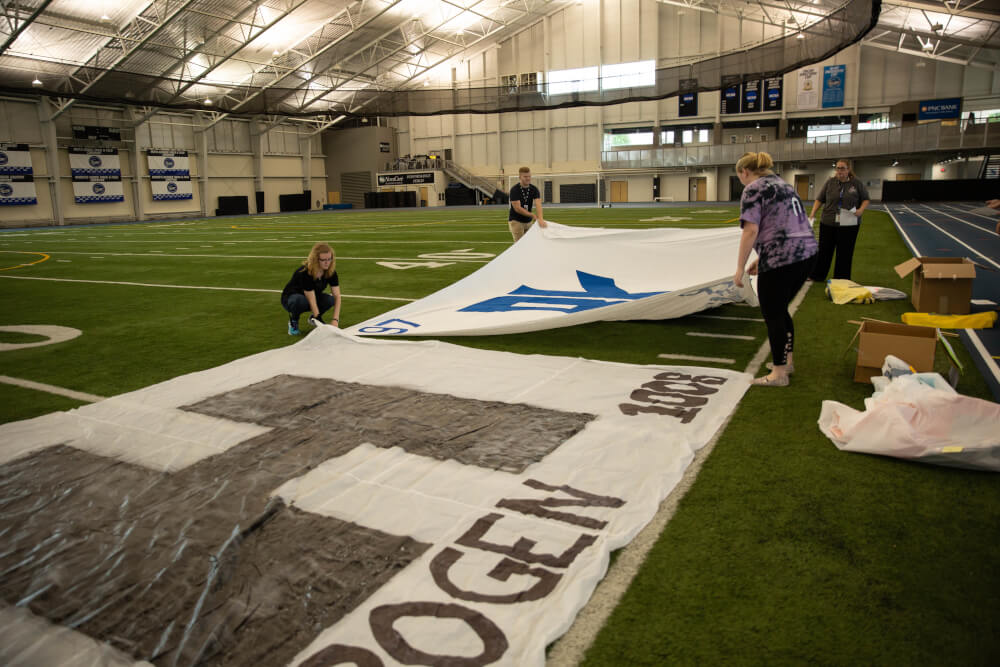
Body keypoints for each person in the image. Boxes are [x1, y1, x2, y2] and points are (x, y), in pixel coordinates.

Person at [733, 152, 818, 387]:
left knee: (773, 313)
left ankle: (779, 374)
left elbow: (751, 230)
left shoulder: (753, 188)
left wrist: (739, 266)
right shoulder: (785, 185)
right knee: (781, 310)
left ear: (745, 172)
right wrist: (761, 258)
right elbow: (784, 224)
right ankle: (786, 362)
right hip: (807, 252)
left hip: (783, 257)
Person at [808, 159, 870, 282]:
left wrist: (861, 210)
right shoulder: (830, 182)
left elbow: (866, 199)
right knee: (824, 250)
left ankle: (841, 278)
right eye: (837, 168)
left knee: (845, 252)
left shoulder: (856, 183)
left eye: (842, 168)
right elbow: (820, 199)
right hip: (828, 222)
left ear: (848, 169)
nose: (839, 171)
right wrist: (812, 213)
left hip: (849, 224)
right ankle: (817, 275)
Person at [280, 242, 341, 335]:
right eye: (323, 260)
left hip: (311, 297)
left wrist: (335, 320)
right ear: (316, 260)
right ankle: (294, 322)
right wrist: (319, 320)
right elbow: (311, 299)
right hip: (291, 299)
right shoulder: (305, 272)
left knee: (330, 300)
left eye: (329, 259)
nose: (327, 262)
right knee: (299, 300)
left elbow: (337, 296)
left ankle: (313, 319)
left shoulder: (330, 271)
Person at [508, 166, 547, 241]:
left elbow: (538, 204)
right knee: (520, 245)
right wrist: (532, 215)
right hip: (516, 220)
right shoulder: (514, 190)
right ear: (520, 177)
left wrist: (541, 219)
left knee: (529, 243)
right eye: (525, 176)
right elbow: (518, 208)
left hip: (528, 221)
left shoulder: (534, 189)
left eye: (529, 176)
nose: (528, 178)